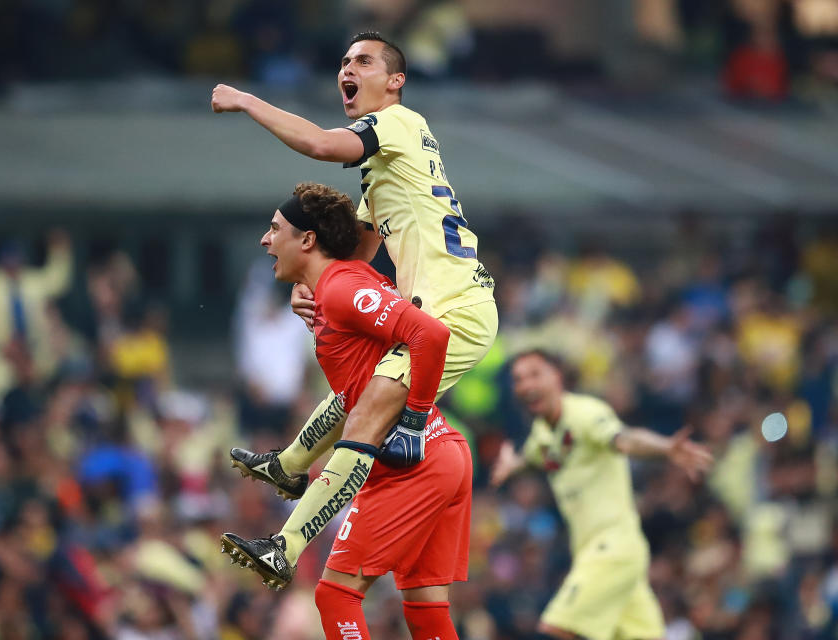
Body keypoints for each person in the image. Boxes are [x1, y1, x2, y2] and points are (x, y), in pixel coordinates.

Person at [212, 31, 497, 502]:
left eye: (364, 62)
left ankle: (288, 543)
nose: (348, 69)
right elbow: (355, 254)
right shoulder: (390, 173)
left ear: (395, 81)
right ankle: (290, 467)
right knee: (361, 391)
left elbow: (323, 145)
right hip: (447, 304)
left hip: (452, 309)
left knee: (367, 413)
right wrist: (312, 285)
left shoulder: (397, 122)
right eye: (344, 62)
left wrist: (246, 101)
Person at [222, 183, 471, 640]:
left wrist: (413, 420)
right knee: (424, 611)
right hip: (443, 454)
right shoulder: (334, 290)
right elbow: (356, 391)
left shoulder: (341, 288)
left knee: (335, 594)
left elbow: (431, 336)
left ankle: (286, 529)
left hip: (413, 460)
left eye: (274, 229)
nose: (264, 239)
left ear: (308, 240)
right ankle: (286, 469)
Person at [490, 350, 714, 640]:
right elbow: (533, 457)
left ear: (556, 376)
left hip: (611, 548)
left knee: (558, 629)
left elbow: (625, 439)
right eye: (518, 379)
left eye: (534, 374)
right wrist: (512, 466)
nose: (525, 385)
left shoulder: (585, 413)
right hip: (611, 557)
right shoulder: (542, 433)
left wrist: (666, 447)